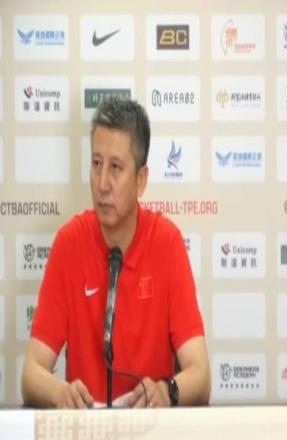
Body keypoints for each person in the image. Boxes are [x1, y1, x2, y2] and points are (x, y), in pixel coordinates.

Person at [21, 97, 210, 408]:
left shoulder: (167, 243)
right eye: (96, 164)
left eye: (116, 168)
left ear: (140, 180)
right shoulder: (69, 243)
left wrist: (167, 390)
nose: (102, 183)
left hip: (152, 426)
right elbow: (31, 373)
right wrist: (60, 392)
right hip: (88, 426)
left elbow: (200, 374)